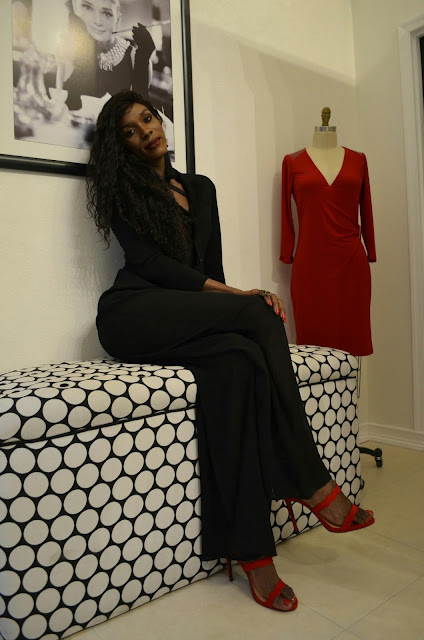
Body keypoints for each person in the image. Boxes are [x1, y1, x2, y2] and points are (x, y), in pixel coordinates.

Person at [87, 90, 374, 613]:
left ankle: (251, 552)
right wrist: (240, 297)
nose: (145, 131)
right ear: (121, 145)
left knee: (239, 363)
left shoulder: (201, 188)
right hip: (133, 313)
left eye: (147, 118)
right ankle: (310, 479)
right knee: (259, 311)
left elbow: (210, 269)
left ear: (159, 119)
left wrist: (233, 296)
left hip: (186, 319)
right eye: (129, 130)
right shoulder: (123, 190)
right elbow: (153, 266)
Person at [64, 0, 156, 110]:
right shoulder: (70, 50)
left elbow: (139, 111)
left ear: (117, 21)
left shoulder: (136, 59)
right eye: (88, 8)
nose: (97, 21)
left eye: (107, 14)